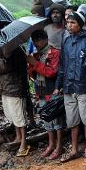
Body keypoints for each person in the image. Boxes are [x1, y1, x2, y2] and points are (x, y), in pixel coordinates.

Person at [54, 11, 86, 161]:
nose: (69, 25)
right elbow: (62, 65)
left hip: (84, 86)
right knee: (72, 120)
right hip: (68, 87)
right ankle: (73, 149)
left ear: (80, 24)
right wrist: (58, 85)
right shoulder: (66, 41)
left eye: (73, 22)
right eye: (68, 22)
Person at [27, 29, 63, 160]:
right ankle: (51, 144)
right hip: (41, 91)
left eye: (39, 40)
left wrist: (35, 64)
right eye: (34, 40)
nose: (36, 43)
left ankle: (59, 146)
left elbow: (52, 72)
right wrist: (31, 64)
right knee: (46, 120)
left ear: (45, 39)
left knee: (57, 120)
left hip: (53, 90)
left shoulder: (54, 53)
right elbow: (32, 75)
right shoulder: (36, 55)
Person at [0, 41, 30, 157]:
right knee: (12, 115)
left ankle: (24, 141)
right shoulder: (2, 51)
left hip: (15, 87)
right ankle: (18, 137)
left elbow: (3, 67)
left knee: (19, 116)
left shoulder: (17, 51)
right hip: (5, 87)